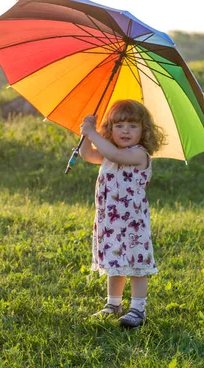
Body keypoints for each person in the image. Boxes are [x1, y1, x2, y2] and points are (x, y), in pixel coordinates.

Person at [79, 99, 165, 328]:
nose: (125, 130)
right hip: (110, 222)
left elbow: (116, 156)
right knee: (115, 262)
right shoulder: (108, 153)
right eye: (119, 126)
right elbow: (88, 155)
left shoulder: (139, 155)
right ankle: (113, 304)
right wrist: (86, 134)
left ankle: (138, 309)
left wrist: (94, 134)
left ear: (143, 131)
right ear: (110, 129)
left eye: (132, 126)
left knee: (136, 265)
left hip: (133, 224)